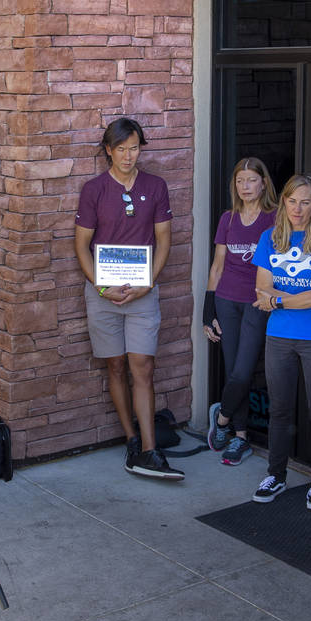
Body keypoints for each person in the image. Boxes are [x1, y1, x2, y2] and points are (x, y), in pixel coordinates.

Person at [74, 117, 180, 480]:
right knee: (115, 366)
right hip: (103, 292)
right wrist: (101, 286)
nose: (128, 155)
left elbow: (164, 240)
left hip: (142, 291)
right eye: (121, 149)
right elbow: (81, 245)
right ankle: (132, 439)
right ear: (108, 150)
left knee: (143, 368)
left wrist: (148, 282)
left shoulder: (156, 186)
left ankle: (151, 451)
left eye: (134, 148)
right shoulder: (93, 190)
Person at [251, 174, 311, 507]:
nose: (298, 208)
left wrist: (278, 299)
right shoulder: (269, 237)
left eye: (306, 201)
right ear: (284, 203)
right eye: (292, 201)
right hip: (278, 336)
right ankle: (275, 475)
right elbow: (261, 289)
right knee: (278, 410)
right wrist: (303, 295)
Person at [203, 157, 278, 465]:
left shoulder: (274, 219)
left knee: (243, 370)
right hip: (226, 299)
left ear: (263, 183)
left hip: (257, 301)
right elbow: (218, 265)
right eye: (240, 181)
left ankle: (221, 419)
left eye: (251, 180)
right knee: (235, 368)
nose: (245, 186)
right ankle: (241, 437)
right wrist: (208, 310)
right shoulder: (228, 219)